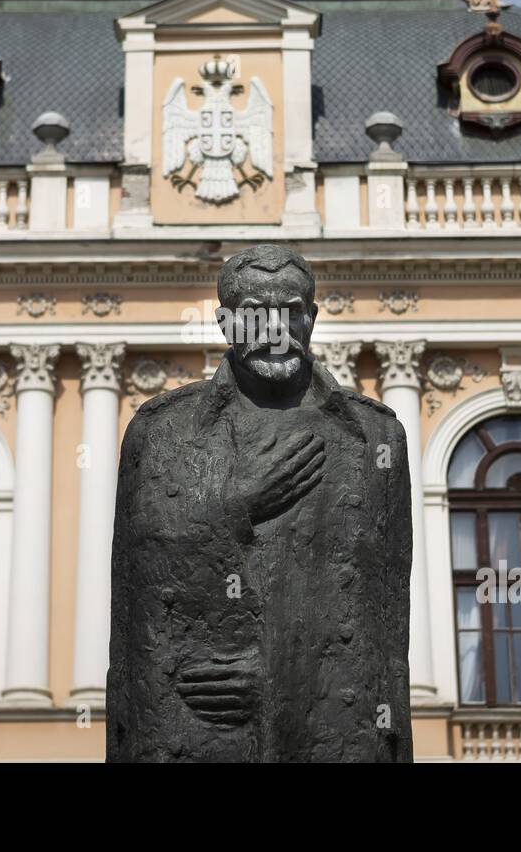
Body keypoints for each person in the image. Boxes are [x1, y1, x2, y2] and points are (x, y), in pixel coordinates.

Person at [107, 243, 413, 762]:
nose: (273, 331)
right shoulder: (162, 432)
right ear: (226, 322)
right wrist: (234, 507)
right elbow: (136, 597)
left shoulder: (375, 437)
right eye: (254, 315)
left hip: (342, 729)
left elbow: (389, 617)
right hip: (204, 725)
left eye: (290, 313)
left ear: (311, 319)